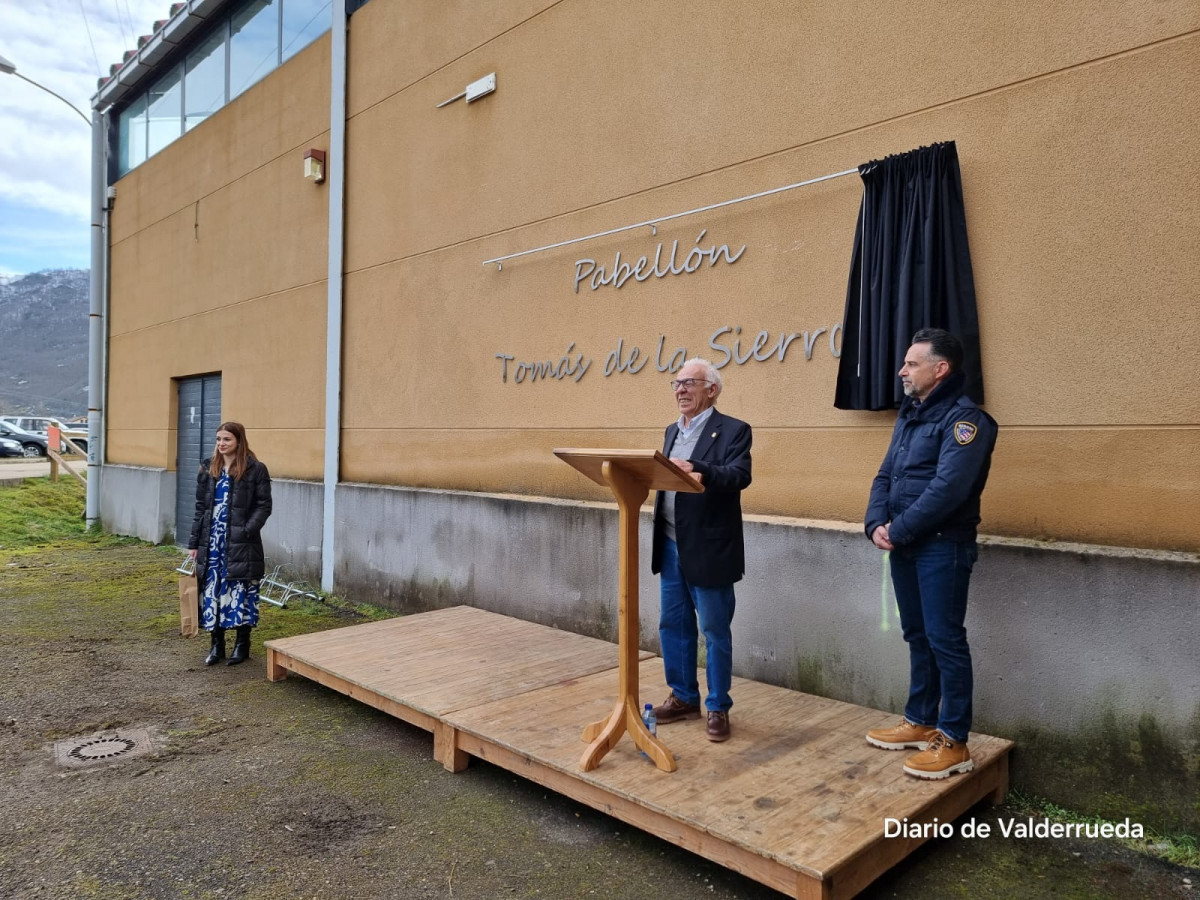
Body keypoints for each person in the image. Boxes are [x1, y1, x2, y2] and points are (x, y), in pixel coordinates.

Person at [864, 329, 997, 779]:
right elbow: (885, 475)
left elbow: (949, 490)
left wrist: (897, 530)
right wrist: (875, 524)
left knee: (945, 640)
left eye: (911, 363)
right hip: (906, 544)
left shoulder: (967, 422)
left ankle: (954, 741)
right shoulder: (911, 415)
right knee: (917, 635)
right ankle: (920, 720)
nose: (902, 370)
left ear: (941, 369)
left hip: (942, 546)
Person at [650, 358, 752, 742]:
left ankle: (717, 706)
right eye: (676, 383)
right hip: (672, 544)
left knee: (713, 628)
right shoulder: (670, 431)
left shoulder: (735, 430)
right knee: (672, 625)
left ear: (712, 389)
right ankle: (683, 697)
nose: (680, 390)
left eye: (689, 383)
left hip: (709, 548)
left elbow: (739, 475)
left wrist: (697, 466)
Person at [188, 422, 273, 667]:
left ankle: (242, 645)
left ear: (239, 441)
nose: (221, 444)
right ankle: (216, 646)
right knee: (212, 592)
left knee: (240, 593)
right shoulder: (208, 467)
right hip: (211, 543)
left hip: (240, 543)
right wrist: (194, 542)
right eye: (218, 439)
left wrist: (247, 530)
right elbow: (200, 508)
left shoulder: (255, 469)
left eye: (227, 439)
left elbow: (264, 506)